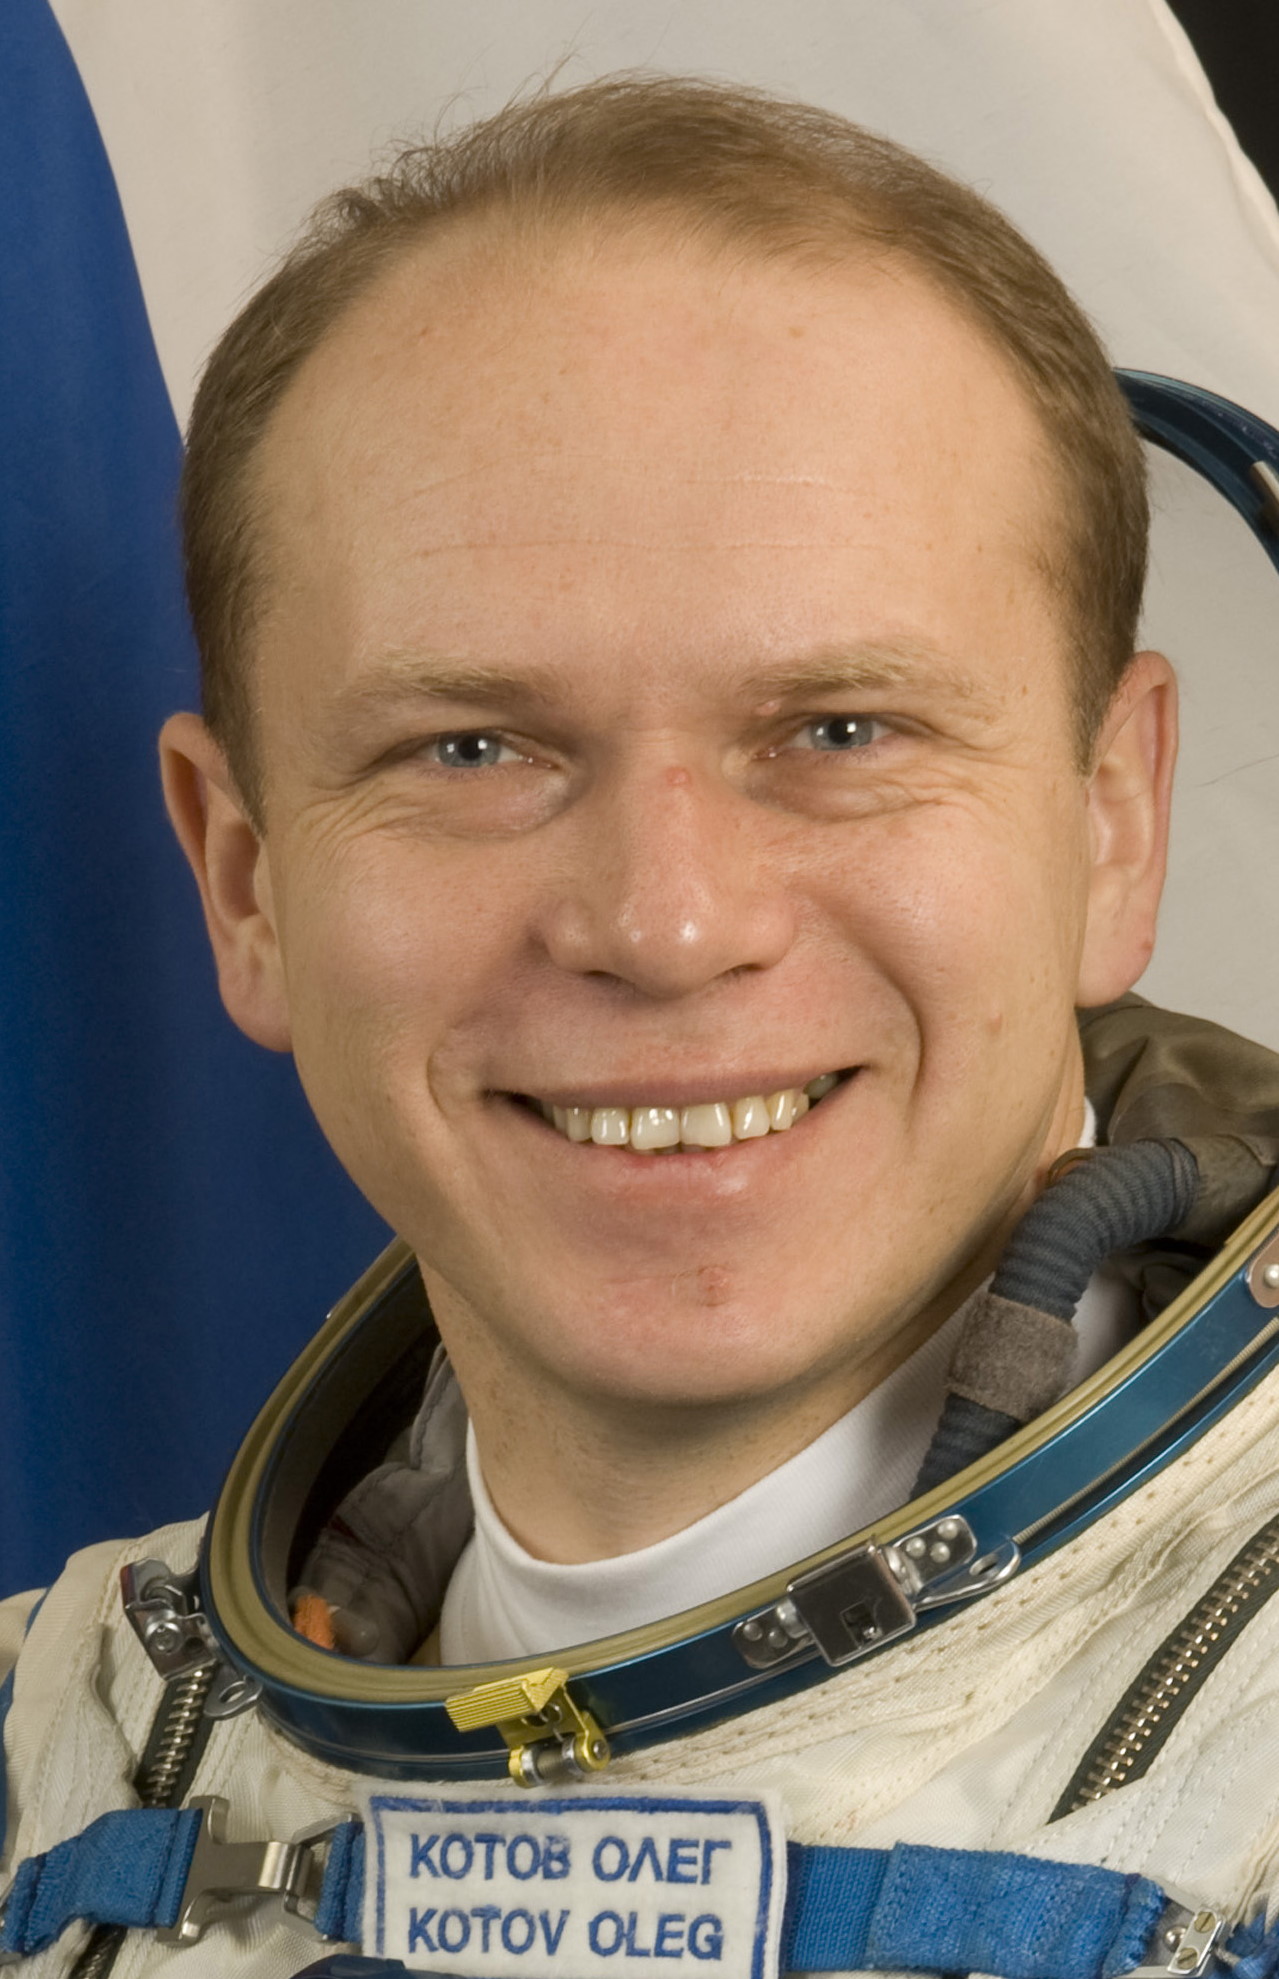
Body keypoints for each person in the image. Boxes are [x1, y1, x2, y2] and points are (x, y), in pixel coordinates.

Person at [5, 73, 1279, 1979]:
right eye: (471, 748)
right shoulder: (55, 1757)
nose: (670, 925)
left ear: (1111, 822)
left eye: (840, 730)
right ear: (246, 884)